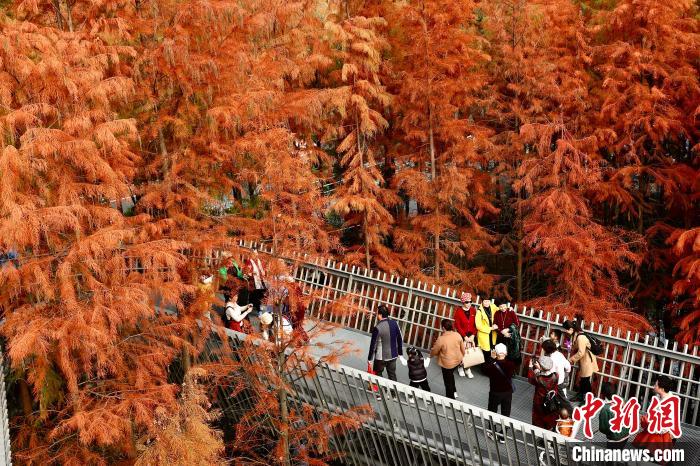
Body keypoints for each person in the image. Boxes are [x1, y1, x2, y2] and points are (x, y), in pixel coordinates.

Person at [633, 375, 678, 457]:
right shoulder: (660, 397)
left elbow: (665, 427)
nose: (654, 386)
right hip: (656, 434)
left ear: (662, 388)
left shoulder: (669, 403)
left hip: (663, 436)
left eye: (656, 385)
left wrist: (651, 425)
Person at [482, 343, 516, 443]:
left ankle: (492, 431)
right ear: (505, 353)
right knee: (506, 413)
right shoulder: (511, 364)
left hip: (495, 392)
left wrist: (491, 359)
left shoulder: (492, 366)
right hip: (507, 392)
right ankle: (503, 435)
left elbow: (484, 369)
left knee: (492, 411)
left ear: (496, 353)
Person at [565, 315, 599, 402]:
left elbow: (581, 352)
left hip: (588, 361)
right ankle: (583, 397)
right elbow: (570, 349)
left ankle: (586, 399)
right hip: (584, 360)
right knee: (584, 380)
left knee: (585, 381)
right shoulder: (575, 336)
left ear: (572, 329)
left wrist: (571, 359)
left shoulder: (581, 337)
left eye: (567, 329)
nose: (566, 331)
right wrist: (568, 337)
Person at [430, 319, 465, 399]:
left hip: (447, 363)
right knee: (451, 376)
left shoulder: (441, 339)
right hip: (457, 360)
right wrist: (462, 357)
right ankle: (454, 391)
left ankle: (450, 398)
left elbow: (435, 350)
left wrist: (430, 356)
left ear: (443, 328)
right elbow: (462, 348)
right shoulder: (457, 335)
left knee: (447, 381)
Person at [368, 305, 404, 382]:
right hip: (393, 355)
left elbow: (373, 345)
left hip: (380, 357)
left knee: (377, 374)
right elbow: (400, 338)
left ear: (380, 315)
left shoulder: (377, 327)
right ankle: (393, 393)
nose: (376, 314)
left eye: (377, 313)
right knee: (392, 375)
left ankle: (381, 390)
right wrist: (400, 353)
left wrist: (370, 359)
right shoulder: (395, 323)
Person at [528, 355, 560, 431]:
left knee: (538, 418)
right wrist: (540, 369)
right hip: (551, 401)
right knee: (549, 417)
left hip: (539, 402)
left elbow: (530, 379)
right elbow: (546, 375)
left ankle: (539, 434)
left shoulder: (538, 378)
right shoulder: (556, 376)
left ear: (541, 366)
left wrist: (530, 367)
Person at [599, 382, 631, 450]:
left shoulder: (605, 409)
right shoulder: (622, 399)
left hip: (615, 438)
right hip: (626, 433)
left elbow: (603, 428)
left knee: (610, 457)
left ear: (602, 394)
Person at [453, 292, 477, 378]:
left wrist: (473, 335)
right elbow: (457, 325)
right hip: (462, 335)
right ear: (463, 302)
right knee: (461, 352)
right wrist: (464, 337)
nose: (469, 303)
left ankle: (467, 368)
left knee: (470, 353)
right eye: (467, 302)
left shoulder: (474, 310)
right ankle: (460, 367)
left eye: (470, 301)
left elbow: (476, 324)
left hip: (471, 335)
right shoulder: (458, 311)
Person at [475, 298, 499, 364]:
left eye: (488, 301)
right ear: (482, 302)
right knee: (486, 352)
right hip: (484, 334)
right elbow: (478, 326)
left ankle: (488, 367)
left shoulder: (492, 306)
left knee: (492, 350)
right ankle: (485, 368)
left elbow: (501, 309)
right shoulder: (479, 311)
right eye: (485, 301)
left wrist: (509, 308)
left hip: (493, 334)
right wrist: (490, 328)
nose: (487, 303)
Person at [246, 249, 267, 314]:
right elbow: (247, 272)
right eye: (254, 253)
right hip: (253, 280)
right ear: (251, 254)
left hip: (261, 279)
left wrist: (265, 272)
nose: (255, 255)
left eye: (256, 253)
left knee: (261, 293)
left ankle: (257, 305)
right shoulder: (249, 261)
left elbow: (263, 269)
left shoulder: (259, 261)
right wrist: (252, 273)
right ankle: (253, 307)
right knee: (254, 294)